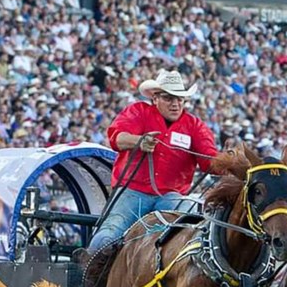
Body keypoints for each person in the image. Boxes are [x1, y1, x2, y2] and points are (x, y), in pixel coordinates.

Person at [77, 70, 219, 262]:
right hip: (133, 191)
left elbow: (209, 161)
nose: (175, 104)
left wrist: (228, 162)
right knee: (106, 238)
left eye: (180, 99)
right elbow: (116, 138)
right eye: (169, 98)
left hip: (170, 195)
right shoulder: (138, 111)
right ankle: (92, 279)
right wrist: (139, 141)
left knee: (195, 230)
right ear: (155, 98)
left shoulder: (195, 125)